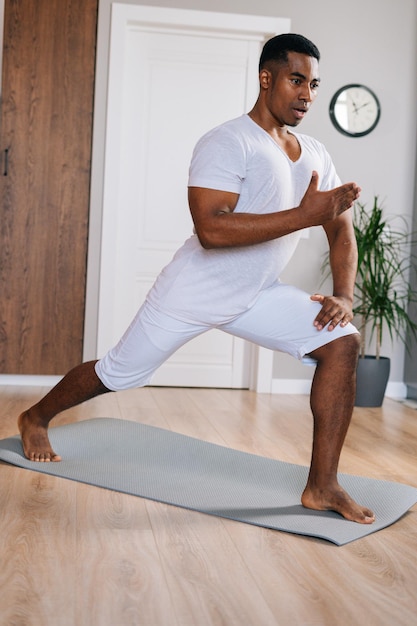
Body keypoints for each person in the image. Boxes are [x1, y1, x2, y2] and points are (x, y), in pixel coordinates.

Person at [18, 33, 375, 524]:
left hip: (257, 294)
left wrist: (344, 296)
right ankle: (35, 417)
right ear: (266, 78)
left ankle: (323, 485)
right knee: (120, 373)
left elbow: (339, 227)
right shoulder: (228, 141)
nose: (307, 95)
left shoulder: (314, 152)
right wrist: (300, 215)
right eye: (297, 80)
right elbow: (210, 230)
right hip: (195, 290)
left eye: (314, 84)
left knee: (342, 341)